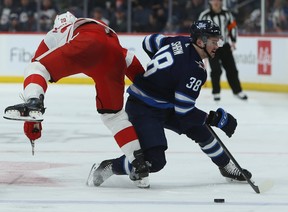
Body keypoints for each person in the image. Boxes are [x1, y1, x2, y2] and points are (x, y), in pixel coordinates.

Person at [86, 20, 252, 187]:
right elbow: (184, 111)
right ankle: (109, 166)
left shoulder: (180, 40)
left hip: (164, 104)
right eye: (214, 41)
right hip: (143, 108)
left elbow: (149, 42)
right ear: (201, 41)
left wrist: (164, 74)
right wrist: (215, 119)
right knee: (154, 161)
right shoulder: (194, 70)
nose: (217, 45)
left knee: (201, 130)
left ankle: (226, 166)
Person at [3, 11, 149, 188]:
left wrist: (32, 120)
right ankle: (139, 164)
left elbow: (38, 65)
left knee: (36, 68)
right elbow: (130, 61)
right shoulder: (99, 27)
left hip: (87, 44)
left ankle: (34, 102)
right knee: (113, 115)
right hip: (115, 55)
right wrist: (150, 90)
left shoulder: (57, 32)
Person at [198, 0, 248, 101]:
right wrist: (203, 44)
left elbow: (232, 26)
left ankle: (237, 91)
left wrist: (233, 40)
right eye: (213, 0)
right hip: (211, 47)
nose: (216, 2)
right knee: (216, 70)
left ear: (221, 2)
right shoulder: (204, 15)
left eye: (218, 0)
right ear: (210, 2)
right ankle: (216, 92)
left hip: (224, 46)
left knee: (232, 69)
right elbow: (200, 30)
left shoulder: (227, 13)